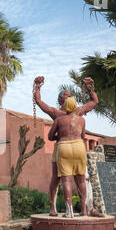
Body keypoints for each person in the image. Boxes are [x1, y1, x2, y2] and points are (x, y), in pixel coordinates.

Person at [33, 76, 98, 216]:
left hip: (66, 146)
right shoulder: (57, 113)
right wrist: (37, 86)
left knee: (84, 177)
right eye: (67, 96)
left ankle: (88, 208)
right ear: (61, 100)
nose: (70, 98)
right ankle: (53, 208)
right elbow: (38, 101)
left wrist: (90, 88)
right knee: (56, 178)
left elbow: (94, 101)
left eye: (70, 96)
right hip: (64, 147)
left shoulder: (77, 112)